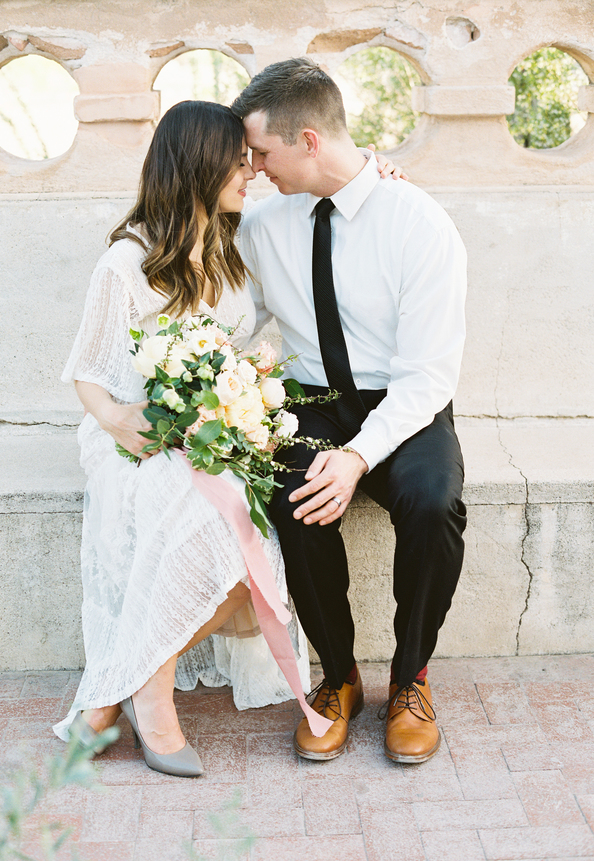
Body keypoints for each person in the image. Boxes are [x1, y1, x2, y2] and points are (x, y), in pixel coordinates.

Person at [54, 98, 401, 776]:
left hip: (219, 434)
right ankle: (151, 704)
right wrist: (119, 419)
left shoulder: (233, 243)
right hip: (140, 436)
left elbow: (327, 207)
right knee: (195, 513)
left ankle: (125, 683)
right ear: (198, 166)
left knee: (255, 556)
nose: (252, 173)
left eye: (252, 160)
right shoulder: (126, 264)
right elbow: (87, 373)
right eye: (238, 164)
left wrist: (377, 178)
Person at [231, 58, 468, 764]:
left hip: (402, 401)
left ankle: (411, 676)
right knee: (289, 486)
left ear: (307, 140)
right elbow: (236, 321)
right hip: (308, 399)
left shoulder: (419, 222)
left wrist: (361, 452)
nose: (254, 167)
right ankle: (337, 675)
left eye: (261, 153)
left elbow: (429, 375)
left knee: (433, 501)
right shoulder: (261, 222)